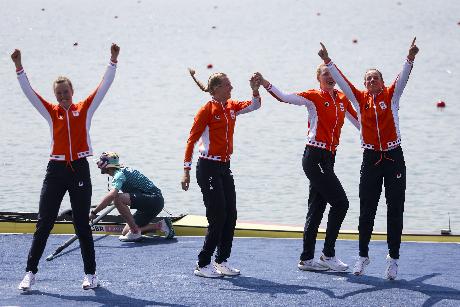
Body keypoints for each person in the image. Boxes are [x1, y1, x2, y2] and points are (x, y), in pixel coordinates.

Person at [12, 44, 120, 291]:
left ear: (72, 91)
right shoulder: (51, 112)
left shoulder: (84, 110)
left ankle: (90, 274)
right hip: (56, 171)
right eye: (58, 94)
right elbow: (30, 93)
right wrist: (19, 67)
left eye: (66, 92)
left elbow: (103, 87)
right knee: (44, 222)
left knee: (81, 223)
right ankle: (30, 272)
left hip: (79, 169)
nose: (62, 97)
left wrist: (113, 60)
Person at [319, 38, 419, 280]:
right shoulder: (359, 99)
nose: (372, 81)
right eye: (368, 79)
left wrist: (410, 57)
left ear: (382, 83)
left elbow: (403, 78)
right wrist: (327, 60)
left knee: (395, 209)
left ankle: (393, 259)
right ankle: (362, 256)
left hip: (394, 157)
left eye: (376, 78)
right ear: (364, 85)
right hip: (370, 158)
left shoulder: (391, 96)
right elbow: (342, 81)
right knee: (367, 210)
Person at [255, 65, 359, 272]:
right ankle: (328, 255)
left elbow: (361, 124)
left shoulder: (342, 99)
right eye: (325, 74)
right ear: (318, 78)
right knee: (341, 203)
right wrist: (265, 83)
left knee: (317, 208)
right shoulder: (313, 97)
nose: (330, 77)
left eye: (332, 74)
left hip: (329, 158)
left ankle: (307, 259)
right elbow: (284, 97)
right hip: (314, 157)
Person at [181, 68, 261, 278]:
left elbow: (255, 105)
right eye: (228, 85)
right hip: (207, 167)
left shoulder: (231, 107)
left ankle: (221, 260)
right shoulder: (206, 110)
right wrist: (186, 170)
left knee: (231, 214)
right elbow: (191, 140)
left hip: (224, 167)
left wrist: (254, 90)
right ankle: (203, 263)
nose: (232, 87)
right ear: (217, 89)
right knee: (217, 216)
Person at [90, 152, 174, 241]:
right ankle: (161, 225)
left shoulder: (119, 174)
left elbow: (111, 195)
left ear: (107, 165)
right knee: (125, 232)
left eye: (100, 163)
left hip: (154, 200)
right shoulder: (120, 171)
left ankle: (134, 231)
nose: (98, 166)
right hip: (150, 203)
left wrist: (94, 213)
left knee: (117, 198)